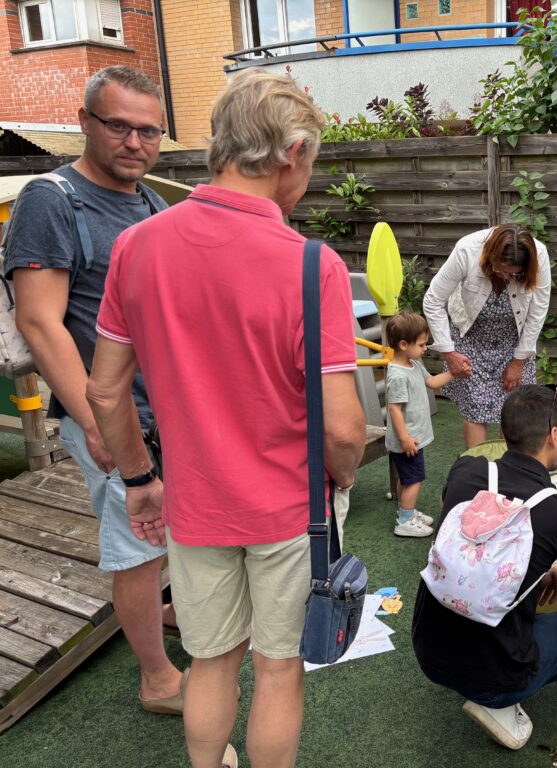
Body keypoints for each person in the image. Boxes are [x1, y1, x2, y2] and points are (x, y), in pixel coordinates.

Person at [87, 71, 366, 768]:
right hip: (289, 511)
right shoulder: (312, 266)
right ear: (293, 152)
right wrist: (342, 479)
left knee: (210, 661)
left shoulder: (137, 246)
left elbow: (103, 392)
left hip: (194, 503)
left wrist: (141, 479)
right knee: (277, 669)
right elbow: (342, 431)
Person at [3, 66, 185, 715]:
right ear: (84, 123)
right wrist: (99, 425)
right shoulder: (51, 200)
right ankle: (158, 680)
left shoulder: (148, 203)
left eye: (149, 131)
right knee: (137, 548)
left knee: (166, 533)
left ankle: (167, 613)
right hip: (110, 415)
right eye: (119, 126)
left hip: (161, 413)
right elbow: (39, 320)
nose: (135, 142)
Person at [412, 384, 557, 751]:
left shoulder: (467, 469)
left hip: (428, 652)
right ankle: (499, 702)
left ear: (503, 434)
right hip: (498, 678)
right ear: (555, 435)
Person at [422, 224, 551, 448]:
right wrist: (449, 352)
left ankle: (510, 473)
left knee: (516, 408)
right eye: (504, 271)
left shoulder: (538, 255)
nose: (510, 277)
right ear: (491, 256)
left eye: (517, 274)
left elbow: (538, 311)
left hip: (515, 340)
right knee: (475, 410)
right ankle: (478, 472)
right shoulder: (466, 250)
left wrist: (518, 361)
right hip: (470, 337)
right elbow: (432, 300)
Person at [385, 308, 453, 537]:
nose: (425, 349)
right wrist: (404, 439)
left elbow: (433, 383)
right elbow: (394, 409)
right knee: (415, 479)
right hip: (408, 440)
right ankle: (404, 520)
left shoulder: (414, 364)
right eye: (422, 344)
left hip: (412, 437)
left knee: (407, 478)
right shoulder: (397, 375)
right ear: (404, 344)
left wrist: (454, 373)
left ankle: (407, 511)